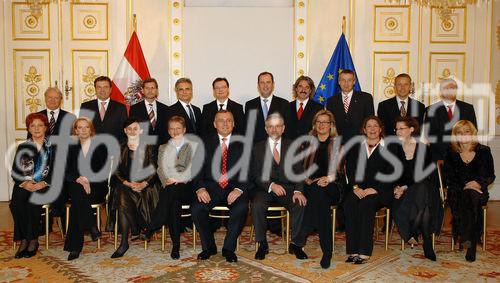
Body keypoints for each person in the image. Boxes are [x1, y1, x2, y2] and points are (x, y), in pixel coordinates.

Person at [191, 110, 249, 263]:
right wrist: (200, 188)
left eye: (228, 120)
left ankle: (228, 249)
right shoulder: (203, 142)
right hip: (211, 188)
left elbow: (249, 170)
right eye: (221, 120)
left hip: (234, 188)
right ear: (214, 124)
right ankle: (208, 247)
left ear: (234, 123)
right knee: (197, 208)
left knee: (241, 207)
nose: (225, 123)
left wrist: (239, 189)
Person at [251, 113, 308, 261]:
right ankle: (262, 244)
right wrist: (271, 185)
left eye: (277, 126)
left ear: (283, 128)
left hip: (288, 188)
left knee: (300, 203)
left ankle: (296, 244)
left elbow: (299, 171)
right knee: (257, 205)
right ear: (266, 128)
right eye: (270, 126)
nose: (274, 129)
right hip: (265, 188)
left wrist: (298, 191)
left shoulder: (292, 146)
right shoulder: (257, 148)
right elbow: (255, 174)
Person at [143, 116, 198, 260]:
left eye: (178, 128)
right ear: (168, 131)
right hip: (169, 186)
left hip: (187, 186)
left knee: (171, 192)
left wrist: (178, 179)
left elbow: (192, 169)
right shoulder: (163, 147)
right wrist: (166, 180)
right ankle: (176, 246)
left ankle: (154, 224)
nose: (175, 131)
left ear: (184, 130)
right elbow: (161, 168)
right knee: (173, 204)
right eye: (172, 129)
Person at [294, 110, 343, 269]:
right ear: (314, 125)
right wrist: (307, 179)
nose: (322, 125)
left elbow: (341, 172)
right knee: (320, 203)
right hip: (310, 186)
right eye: (319, 122)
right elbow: (298, 168)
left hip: (333, 186)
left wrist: (327, 179)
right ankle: (327, 252)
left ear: (331, 125)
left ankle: (301, 236)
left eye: (326, 122)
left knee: (320, 192)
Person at [391, 116, 443, 261]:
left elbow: (424, 175)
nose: (398, 132)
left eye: (401, 128)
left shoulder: (422, 147)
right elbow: (389, 173)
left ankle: (414, 230)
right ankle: (426, 241)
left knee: (422, 188)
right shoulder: (393, 148)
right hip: (404, 191)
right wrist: (397, 187)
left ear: (411, 129)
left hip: (424, 186)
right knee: (424, 206)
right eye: (396, 129)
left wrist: (404, 187)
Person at [343, 116, 393, 264]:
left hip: (379, 191)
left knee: (366, 205)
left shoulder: (389, 147)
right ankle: (353, 249)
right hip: (359, 189)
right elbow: (350, 170)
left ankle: (364, 251)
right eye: (369, 126)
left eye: (375, 126)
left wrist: (375, 189)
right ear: (364, 130)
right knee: (349, 204)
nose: (372, 129)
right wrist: (355, 187)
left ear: (380, 129)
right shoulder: (356, 147)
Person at [444, 120, 495, 262]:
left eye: (467, 131)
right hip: (457, 191)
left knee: (471, 196)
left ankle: (466, 239)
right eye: (459, 132)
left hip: (478, 191)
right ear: (455, 135)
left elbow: (490, 175)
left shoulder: (484, 151)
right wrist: (466, 185)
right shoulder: (450, 152)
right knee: (467, 196)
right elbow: (448, 177)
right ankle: (471, 242)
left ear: (472, 133)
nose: (464, 135)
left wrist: (478, 183)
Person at [110, 118, 159, 258]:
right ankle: (134, 231)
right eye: (129, 129)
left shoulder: (149, 146)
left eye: (135, 128)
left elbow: (154, 169)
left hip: (147, 187)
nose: (132, 131)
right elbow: (116, 171)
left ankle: (125, 242)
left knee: (122, 198)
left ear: (141, 130)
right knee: (121, 192)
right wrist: (128, 183)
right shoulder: (119, 147)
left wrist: (143, 184)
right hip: (126, 184)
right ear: (125, 131)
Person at [64, 117, 108, 260]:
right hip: (76, 184)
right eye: (80, 127)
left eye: (86, 127)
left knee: (78, 201)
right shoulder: (70, 147)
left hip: (96, 187)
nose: (83, 130)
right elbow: (65, 170)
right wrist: (79, 179)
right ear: (75, 130)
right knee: (78, 192)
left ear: (91, 129)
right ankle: (91, 225)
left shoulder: (100, 146)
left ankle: (74, 247)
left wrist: (88, 179)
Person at [10, 113, 54, 258]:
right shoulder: (23, 147)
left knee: (32, 202)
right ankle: (24, 239)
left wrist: (43, 183)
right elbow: (15, 171)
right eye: (32, 126)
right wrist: (25, 183)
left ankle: (33, 240)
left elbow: (59, 170)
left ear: (45, 128)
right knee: (16, 202)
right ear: (28, 129)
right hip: (26, 183)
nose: (36, 129)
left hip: (46, 184)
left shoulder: (53, 147)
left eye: (40, 125)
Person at [424, 78, 477, 161]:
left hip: (464, 155)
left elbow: (473, 131)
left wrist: (460, 151)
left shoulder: (468, 108)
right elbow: (430, 135)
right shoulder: (430, 110)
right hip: (440, 157)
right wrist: (450, 152)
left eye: (452, 88)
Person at [326, 69, 374, 145]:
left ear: (354, 82)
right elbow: (330, 124)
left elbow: (370, 121)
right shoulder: (331, 100)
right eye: (343, 80)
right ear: (339, 82)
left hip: (360, 143)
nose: (346, 83)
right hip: (338, 144)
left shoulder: (366, 98)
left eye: (349, 80)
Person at [79, 76, 128, 144]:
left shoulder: (120, 108)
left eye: (105, 87)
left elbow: (124, 132)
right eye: (99, 87)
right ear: (95, 89)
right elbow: (82, 130)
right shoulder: (86, 106)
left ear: (110, 89)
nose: (102, 90)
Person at [245, 72, 290, 143]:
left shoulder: (284, 104)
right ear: (258, 85)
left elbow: (287, 129)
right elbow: (249, 131)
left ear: (273, 84)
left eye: (268, 82)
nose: (265, 85)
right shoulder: (250, 105)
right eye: (262, 82)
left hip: (278, 147)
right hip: (257, 148)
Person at [129, 77, 170, 146]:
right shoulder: (134, 109)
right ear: (142, 90)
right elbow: (133, 131)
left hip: (162, 149)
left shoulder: (165, 109)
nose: (150, 91)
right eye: (147, 88)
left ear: (157, 90)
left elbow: (168, 130)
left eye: (152, 88)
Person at [287, 76, 324, 140]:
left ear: (310, 90)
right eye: (300, 86)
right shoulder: (287, 106)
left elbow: (320, 130)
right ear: (296, 88)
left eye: (307, 87)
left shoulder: (318, 108)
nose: (303, 90)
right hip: (290, 147)